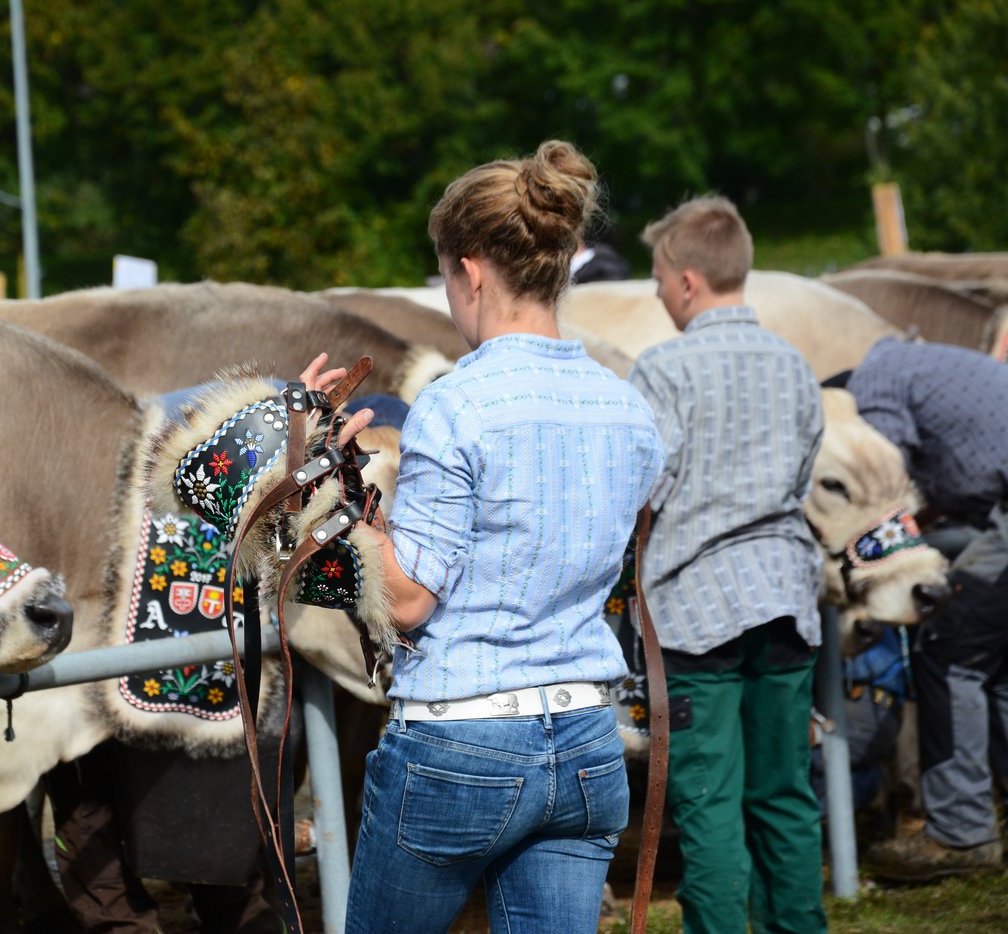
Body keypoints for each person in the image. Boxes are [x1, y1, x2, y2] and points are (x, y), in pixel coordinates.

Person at [318, 140, 665, 933]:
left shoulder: (456, 404)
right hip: (586, 738)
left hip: (459, 743)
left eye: (446, 276)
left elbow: (407, 600)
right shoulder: (627, 406)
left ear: (470, 271)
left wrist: (342, 490)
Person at [627, 195, 827, 934]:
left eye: (655, 277)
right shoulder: (796, 366)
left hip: (694, 616)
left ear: (685, 281)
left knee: (708, 807)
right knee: (785, 798)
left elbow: (646, 488)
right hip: (784, 604)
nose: (654, 291)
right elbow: (804, 481)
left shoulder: (663, 370)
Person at [849, 337, 1008, 879]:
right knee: (996, 657)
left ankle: (962, 834)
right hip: (997, 511)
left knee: (949, 649)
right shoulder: (923, 367)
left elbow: (878, 485)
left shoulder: (874, 379)